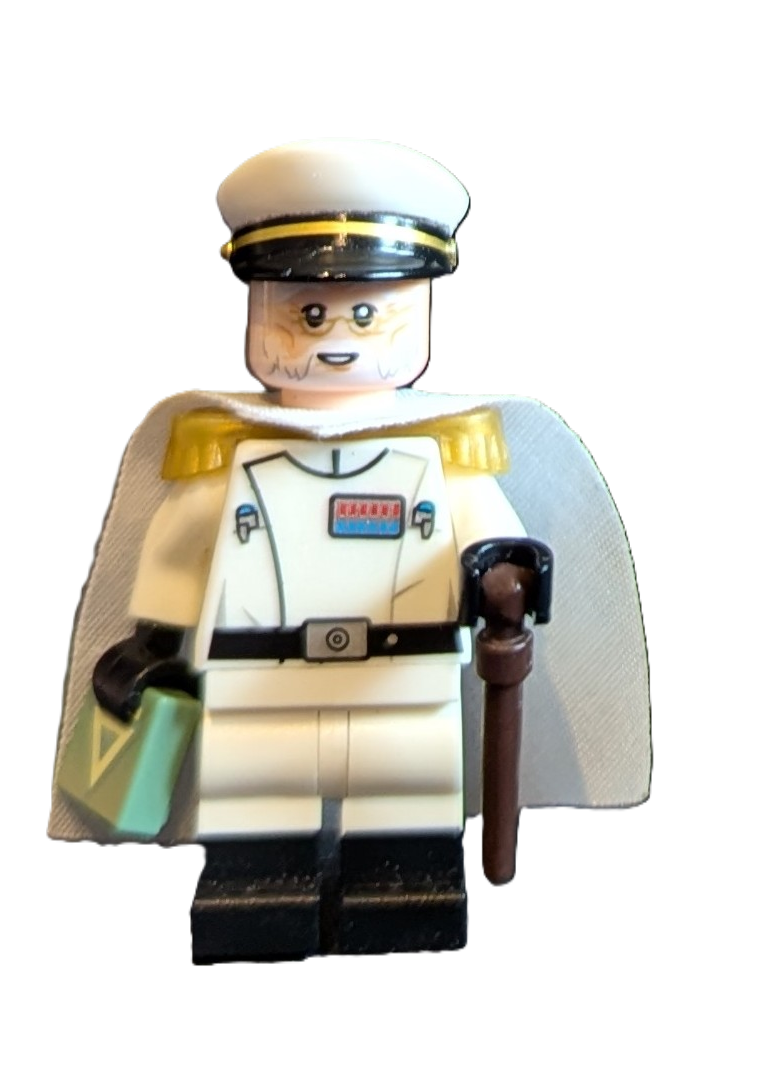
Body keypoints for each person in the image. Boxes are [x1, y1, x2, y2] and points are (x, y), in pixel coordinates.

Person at [50, 137, 650, 960]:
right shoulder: (227, 456)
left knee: (404, 792)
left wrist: (501, 577)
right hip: (259, 675)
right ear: (258, 306)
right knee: (256, 794)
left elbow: (493, 540)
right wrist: (156, 639)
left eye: (366, 314)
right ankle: (255, 890)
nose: (335, 338)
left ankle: (402, 889)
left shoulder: (444, 457)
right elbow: (183, 549)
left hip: (403, 673)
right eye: (308, 314)